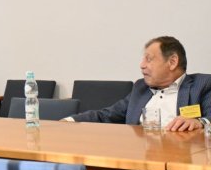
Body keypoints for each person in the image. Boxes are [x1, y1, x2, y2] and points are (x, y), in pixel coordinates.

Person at [67, 36, 211, 131]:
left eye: (149, 59)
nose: (142, 65)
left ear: (172, 62)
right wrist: (69, 121)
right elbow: (106, 115)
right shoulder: (141, 88)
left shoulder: (202, 85)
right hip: (140, 157)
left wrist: (200, 122)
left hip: (180, 160)